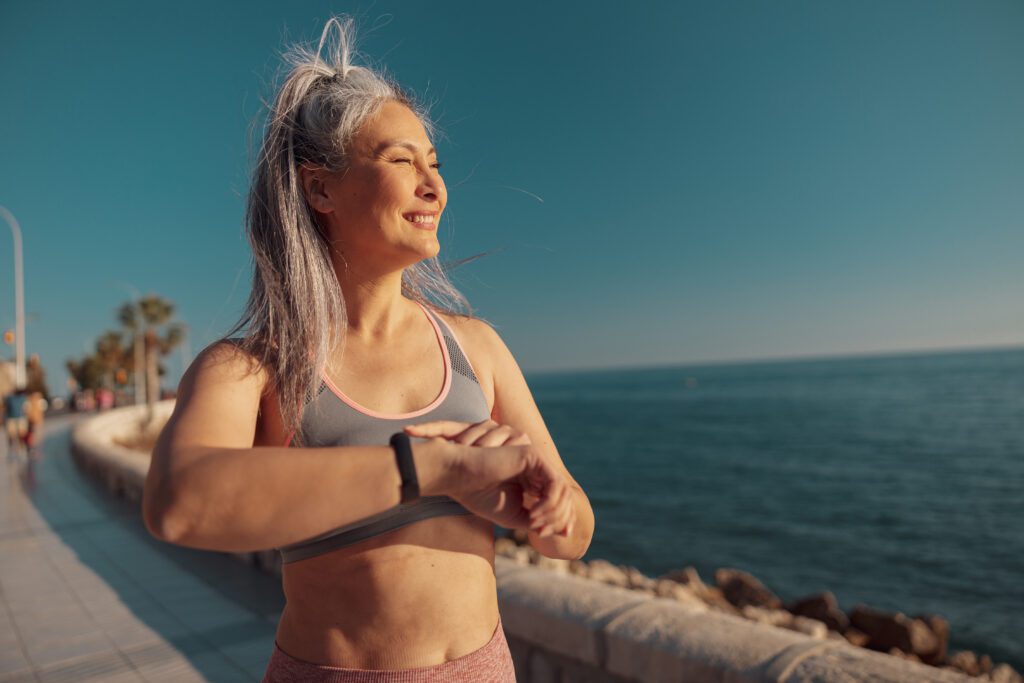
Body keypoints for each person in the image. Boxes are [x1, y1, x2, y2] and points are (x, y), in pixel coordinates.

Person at [142, 16, 594, 683]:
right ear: (319, 188)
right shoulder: (251, 367)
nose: (434, 187)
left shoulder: (477, 346)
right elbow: (179, 501)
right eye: (401, 162)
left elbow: (575, 532)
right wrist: (426, 471)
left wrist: (547, 507)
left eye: (435, 165)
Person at [3, 387, 29, 460]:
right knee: (12, 436)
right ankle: (13, 452)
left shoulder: (21, 398)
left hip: (18, 419)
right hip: (14, 419)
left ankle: (21, 451)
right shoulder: (10, 398)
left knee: (19, 436)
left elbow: (25, 408)